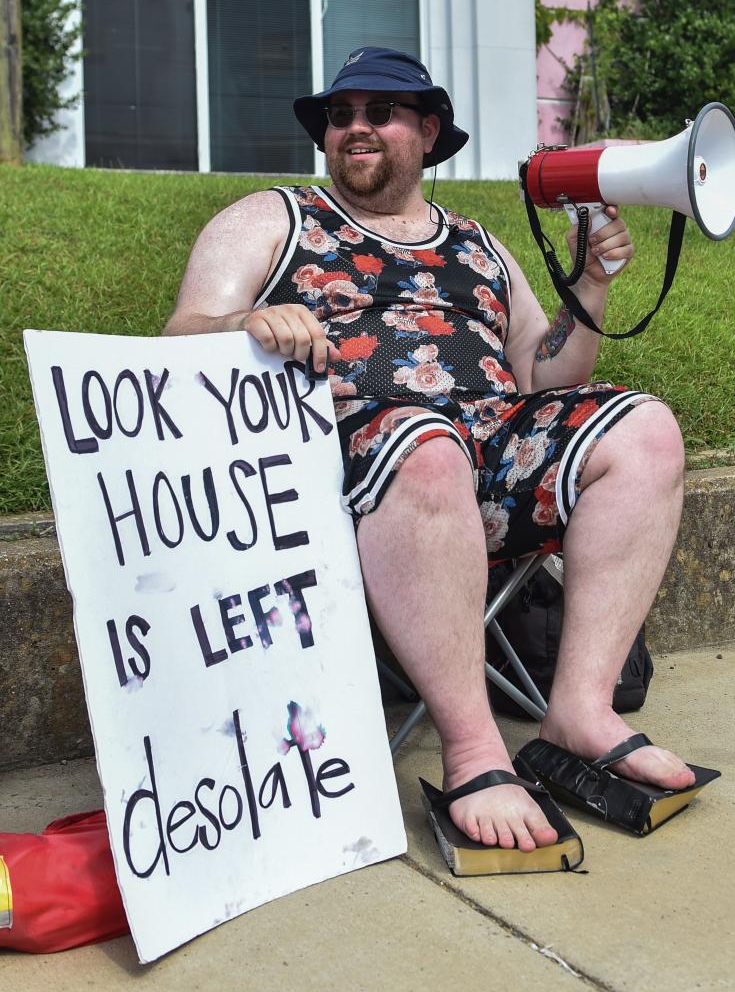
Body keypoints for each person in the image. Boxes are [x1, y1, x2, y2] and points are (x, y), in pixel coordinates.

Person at [164, 47, 695, 856]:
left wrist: (589, 285)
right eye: (340, 116)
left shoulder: (479, 245)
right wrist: (246, 326)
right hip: (352, 456)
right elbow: (176, 338)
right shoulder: (273, 219)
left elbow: (541, 374)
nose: (355, 128)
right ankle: (476, 751)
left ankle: (580, 710)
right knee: (429, 445)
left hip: (484, 448)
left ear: (428, 130)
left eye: (380, 112)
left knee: (647, 427)